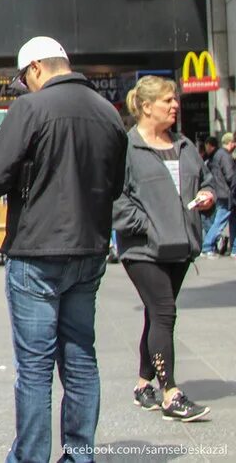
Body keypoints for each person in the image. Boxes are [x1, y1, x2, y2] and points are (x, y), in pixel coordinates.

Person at [0, 36, 127, 463]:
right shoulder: (108, 114)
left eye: (25, 79)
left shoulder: (30, 108)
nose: (24, 87)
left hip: (37, 254)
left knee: (35, 368)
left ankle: (31, 457)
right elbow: (114, 186)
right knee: (81, 359)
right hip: (89, 252)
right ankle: (80, 455)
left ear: (37, 69)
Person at [113, 76, 213, 423]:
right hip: (143, 249)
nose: (175, 106)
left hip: (181, 245)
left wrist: (208, 196)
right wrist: (146, 226)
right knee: (165, 312)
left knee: (156, 314)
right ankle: (170, 392)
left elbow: (206, 180)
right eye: (167, 100)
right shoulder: (126, 148)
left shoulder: (184, 145)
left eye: (175, 100)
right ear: (145, 106)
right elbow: (114, 197)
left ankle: (144, 385)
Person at [200, 135, 234, 258]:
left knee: (228, 221)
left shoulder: (217, 156)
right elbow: (230, 176)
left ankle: (234, 248)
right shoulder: (224, 156)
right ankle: (207, 246)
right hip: (226, 193)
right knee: (220, 221)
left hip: (222, 192)